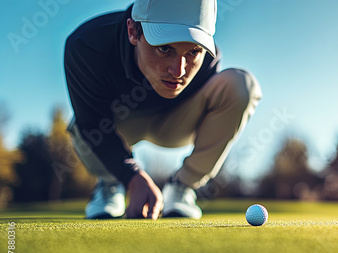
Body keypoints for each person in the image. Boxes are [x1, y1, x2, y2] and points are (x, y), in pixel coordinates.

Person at [64, 0, 262, 220]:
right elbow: (91, 122)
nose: (179, 71)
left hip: (176, 124)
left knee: (240, 84)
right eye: (165, 48)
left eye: (194, 51)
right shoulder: (87, 46)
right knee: (81, 124)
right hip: (118, 126)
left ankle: (181, 188)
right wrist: (132, 176)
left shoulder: (208, 59)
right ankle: (111, 183)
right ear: (132, 31)